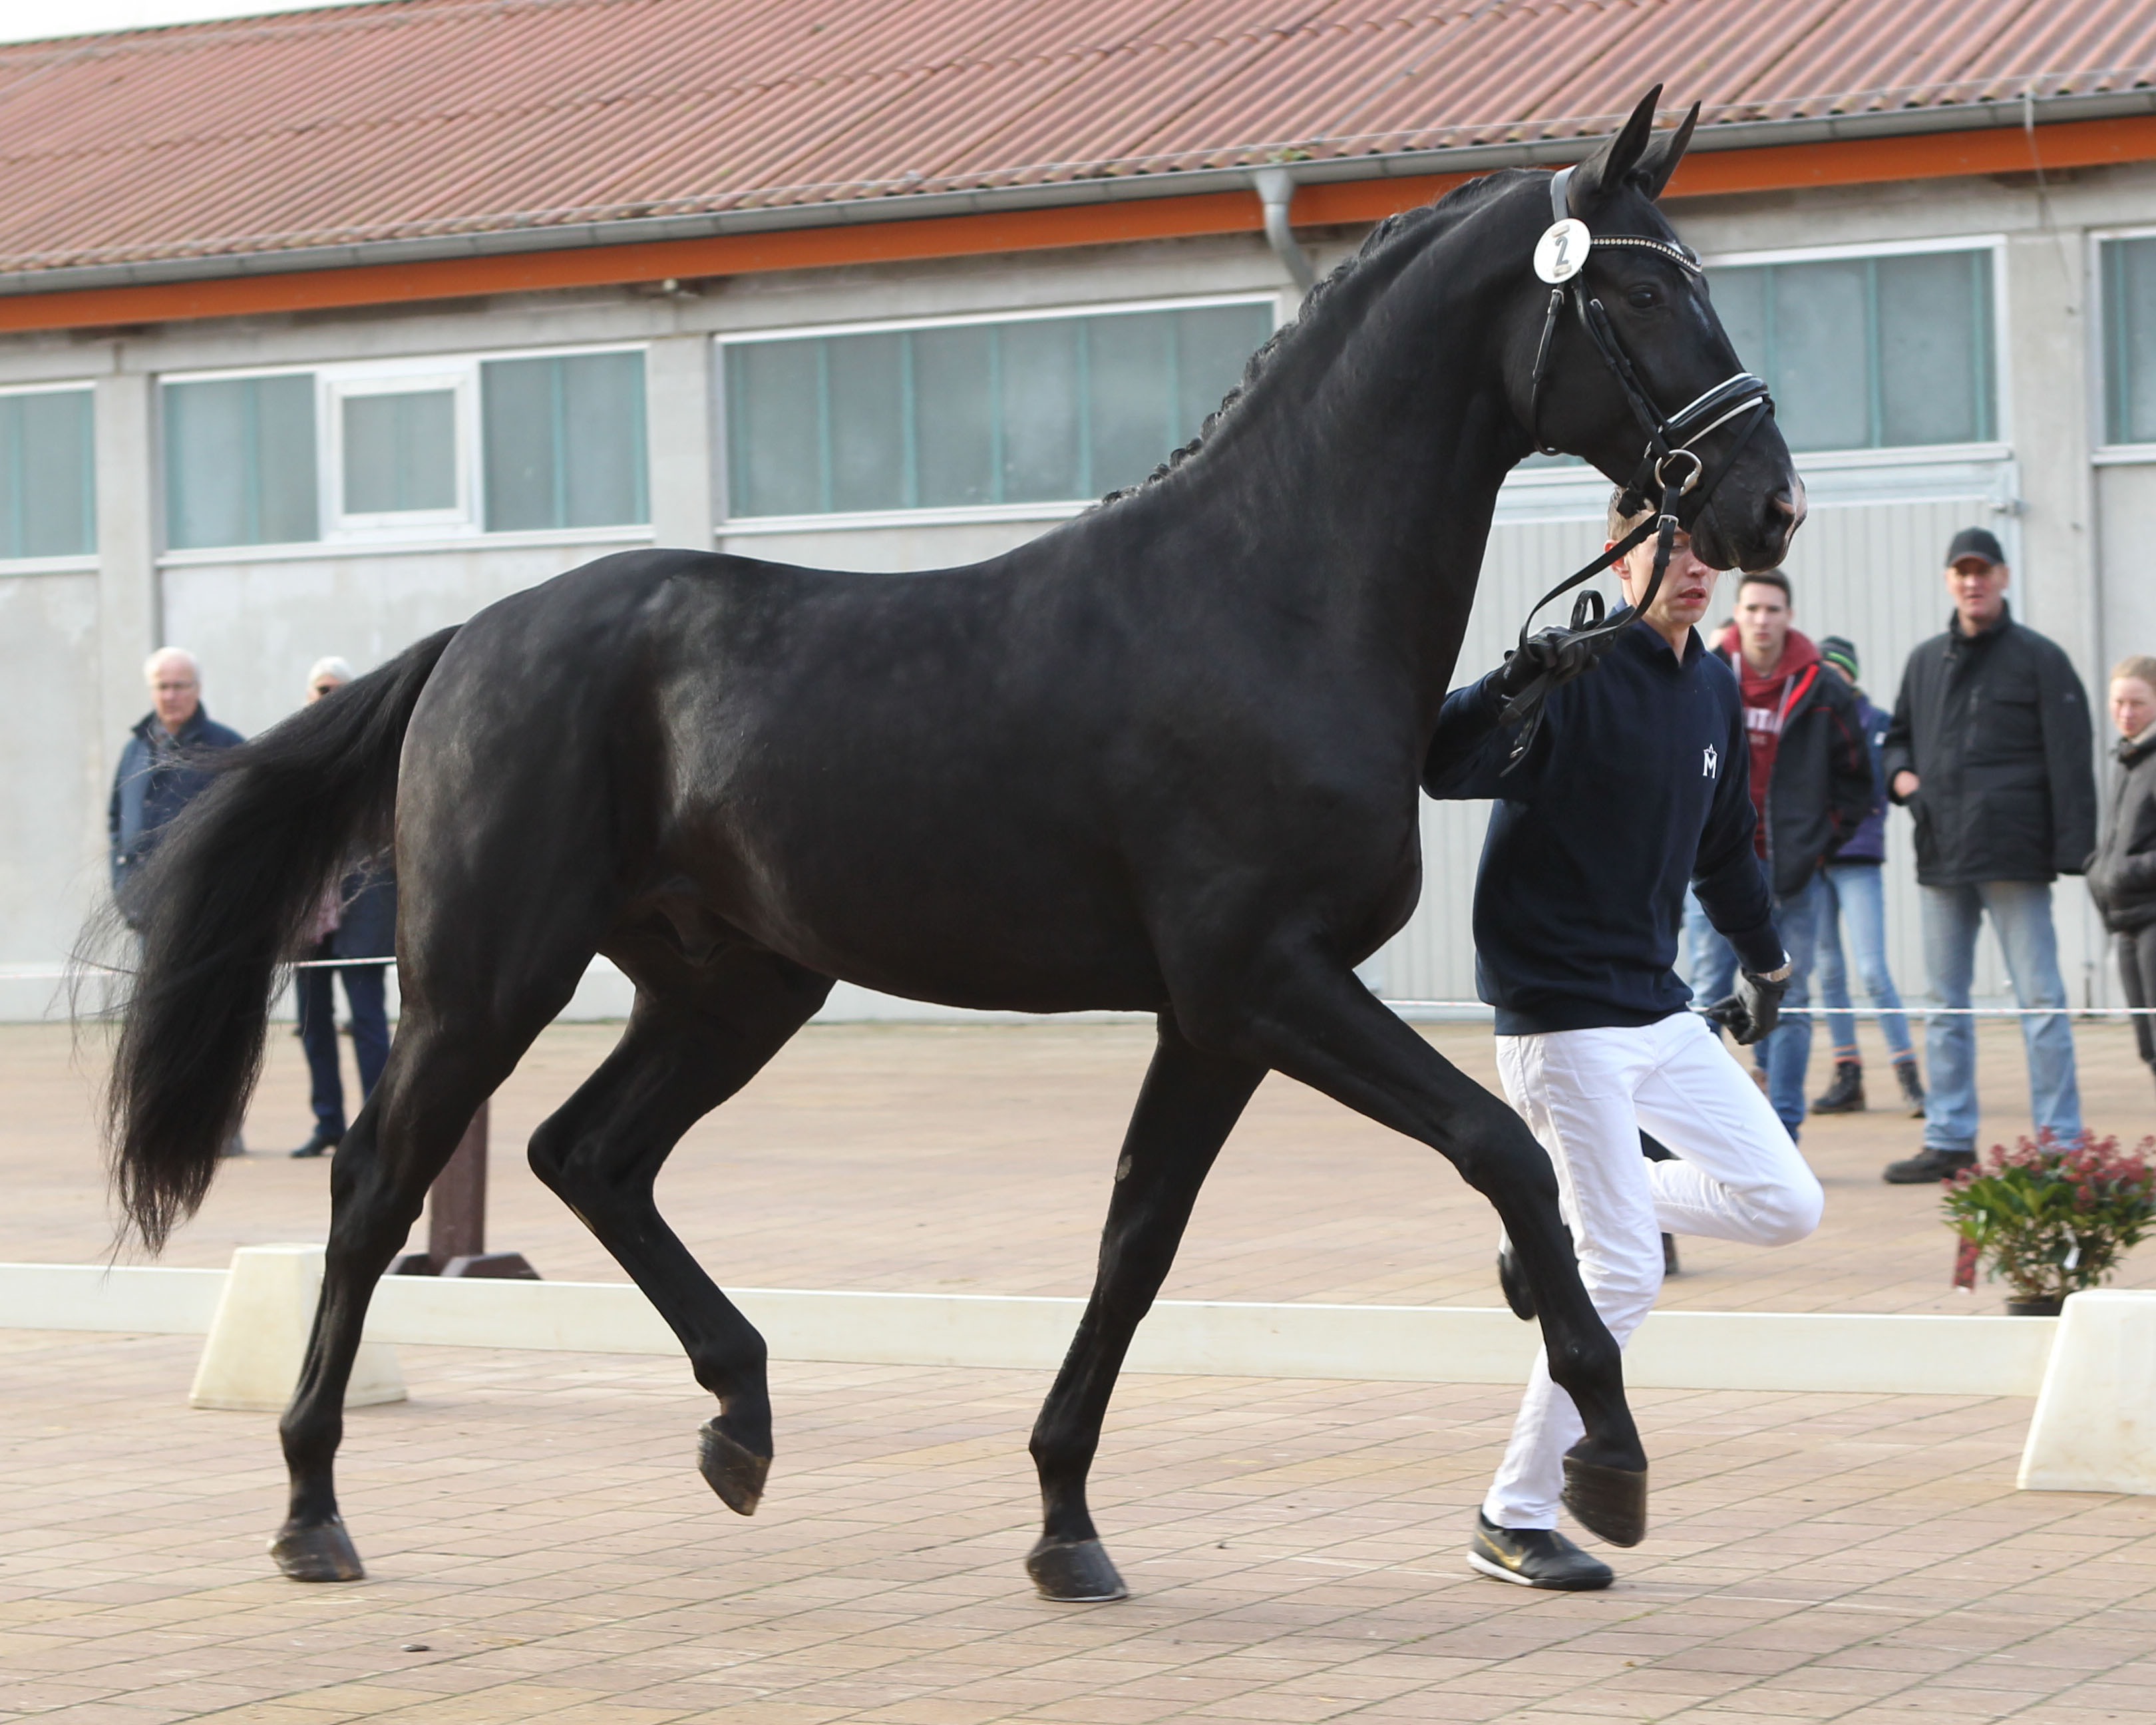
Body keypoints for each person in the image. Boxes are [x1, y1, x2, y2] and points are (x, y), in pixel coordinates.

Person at [1423, 495, 1823, 1591]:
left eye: (1707, 548)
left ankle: (1548, 1211)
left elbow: (1724, 849)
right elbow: (1439, 759)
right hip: (1561, 1019)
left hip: (1655, 1010)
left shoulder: (1706, 684)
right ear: (1623, 550)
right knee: (1626, 1266)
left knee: (1787, 1201)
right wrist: (1515, 680)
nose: (1695, 565)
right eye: (1671, 543)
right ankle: (1512, 1514)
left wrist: (1769, 960)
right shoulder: (1578, 669)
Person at [1879, 527, 2097, 1183]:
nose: (1972, 582)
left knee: (2041, 1002)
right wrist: (1903, 781)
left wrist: (2075, 850)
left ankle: (2060, 1144)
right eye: (1961, 571)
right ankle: (1949, 1140)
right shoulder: (1924, 661)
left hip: (2013, 853)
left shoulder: (2041, 659)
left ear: (2003, 577)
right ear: (1950, 580)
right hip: (1943, 851)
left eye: (1983, 571)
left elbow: (2071, 756)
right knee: (1945, 1006)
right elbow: (1897, 739)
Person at [1705, 572, 1872, 1141]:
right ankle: (1704, 1134)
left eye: (1773, 609)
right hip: (1712, 867)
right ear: (1737, 613)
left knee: (1790, 1001)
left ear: (1789, 616)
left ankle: (1783, 1132)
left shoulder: (1824, 688)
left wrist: (1817, 844)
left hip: (1793, 873)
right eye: (1752, 607)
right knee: (1705, 996)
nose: (1762, 619)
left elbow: (1858, 781)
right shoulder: (1703, 674)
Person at [1809, 636, 1925, 1117]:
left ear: (1852, 673)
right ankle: (1848, 1074)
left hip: (1857, 858)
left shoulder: (1875, 724)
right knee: (1828, 971)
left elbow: (1875, 788)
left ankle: (1909, 1075)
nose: (1831, 678)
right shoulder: (1810, 721)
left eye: (1837, 670)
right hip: (1814, 863)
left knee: (1874, 971)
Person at [289, 658, 397, 1159]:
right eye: (320, 689)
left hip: (363, 903)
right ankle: (327, 1122)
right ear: (307, 696)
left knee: (368, 1019)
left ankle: (377, 1125)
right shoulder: (293, 753)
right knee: (313, 1023)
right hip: (306, 909)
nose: (329, 696)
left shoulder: (375, 754)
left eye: (338, 689)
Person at [108, 647, 244, 924]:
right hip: (144, 907)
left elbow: (247, 823)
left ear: (198, 689)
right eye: (162, 686)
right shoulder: (135, 749)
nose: (170, 696)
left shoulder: (227, 747)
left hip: (206, 908)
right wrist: (123, 883)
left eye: (179, 686)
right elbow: (116, 820)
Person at [2086, 655, 2156, 1103]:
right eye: (2118, 702)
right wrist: (2099, 868)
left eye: (2138, 703)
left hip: (2151, 916)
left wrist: (2121, 872)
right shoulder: (2127, 758)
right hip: (2125, 920)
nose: (2126, 713)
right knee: (2148, 1047)